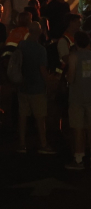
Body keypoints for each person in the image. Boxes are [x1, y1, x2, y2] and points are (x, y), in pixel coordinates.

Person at [65, 30, 91, 170]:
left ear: (75, 42)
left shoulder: (74, 56)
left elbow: (71, 77)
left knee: (78, 129)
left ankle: (79, 159)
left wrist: (67, 79)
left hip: (77, 97)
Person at [16, 21, 53, 154]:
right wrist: (49, 83)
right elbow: (42, 70)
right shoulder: (40, 49)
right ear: (39, 32)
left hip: (23, 86)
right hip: (37, 87)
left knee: (22, 116)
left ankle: (21, 144)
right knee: (40, 117)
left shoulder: (21, 45)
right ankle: (43, 144)